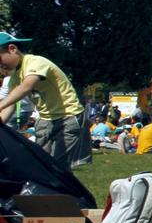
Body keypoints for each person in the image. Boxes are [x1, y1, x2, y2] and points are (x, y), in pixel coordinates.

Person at [0, 33, 88, 168]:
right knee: (40, 165)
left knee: (57, 167)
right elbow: (10, 106)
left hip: (68, 118)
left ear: (12, 49)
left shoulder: (36, 62)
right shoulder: (14, 78)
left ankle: (60, 188)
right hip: (45, 121)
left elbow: (27, 86)